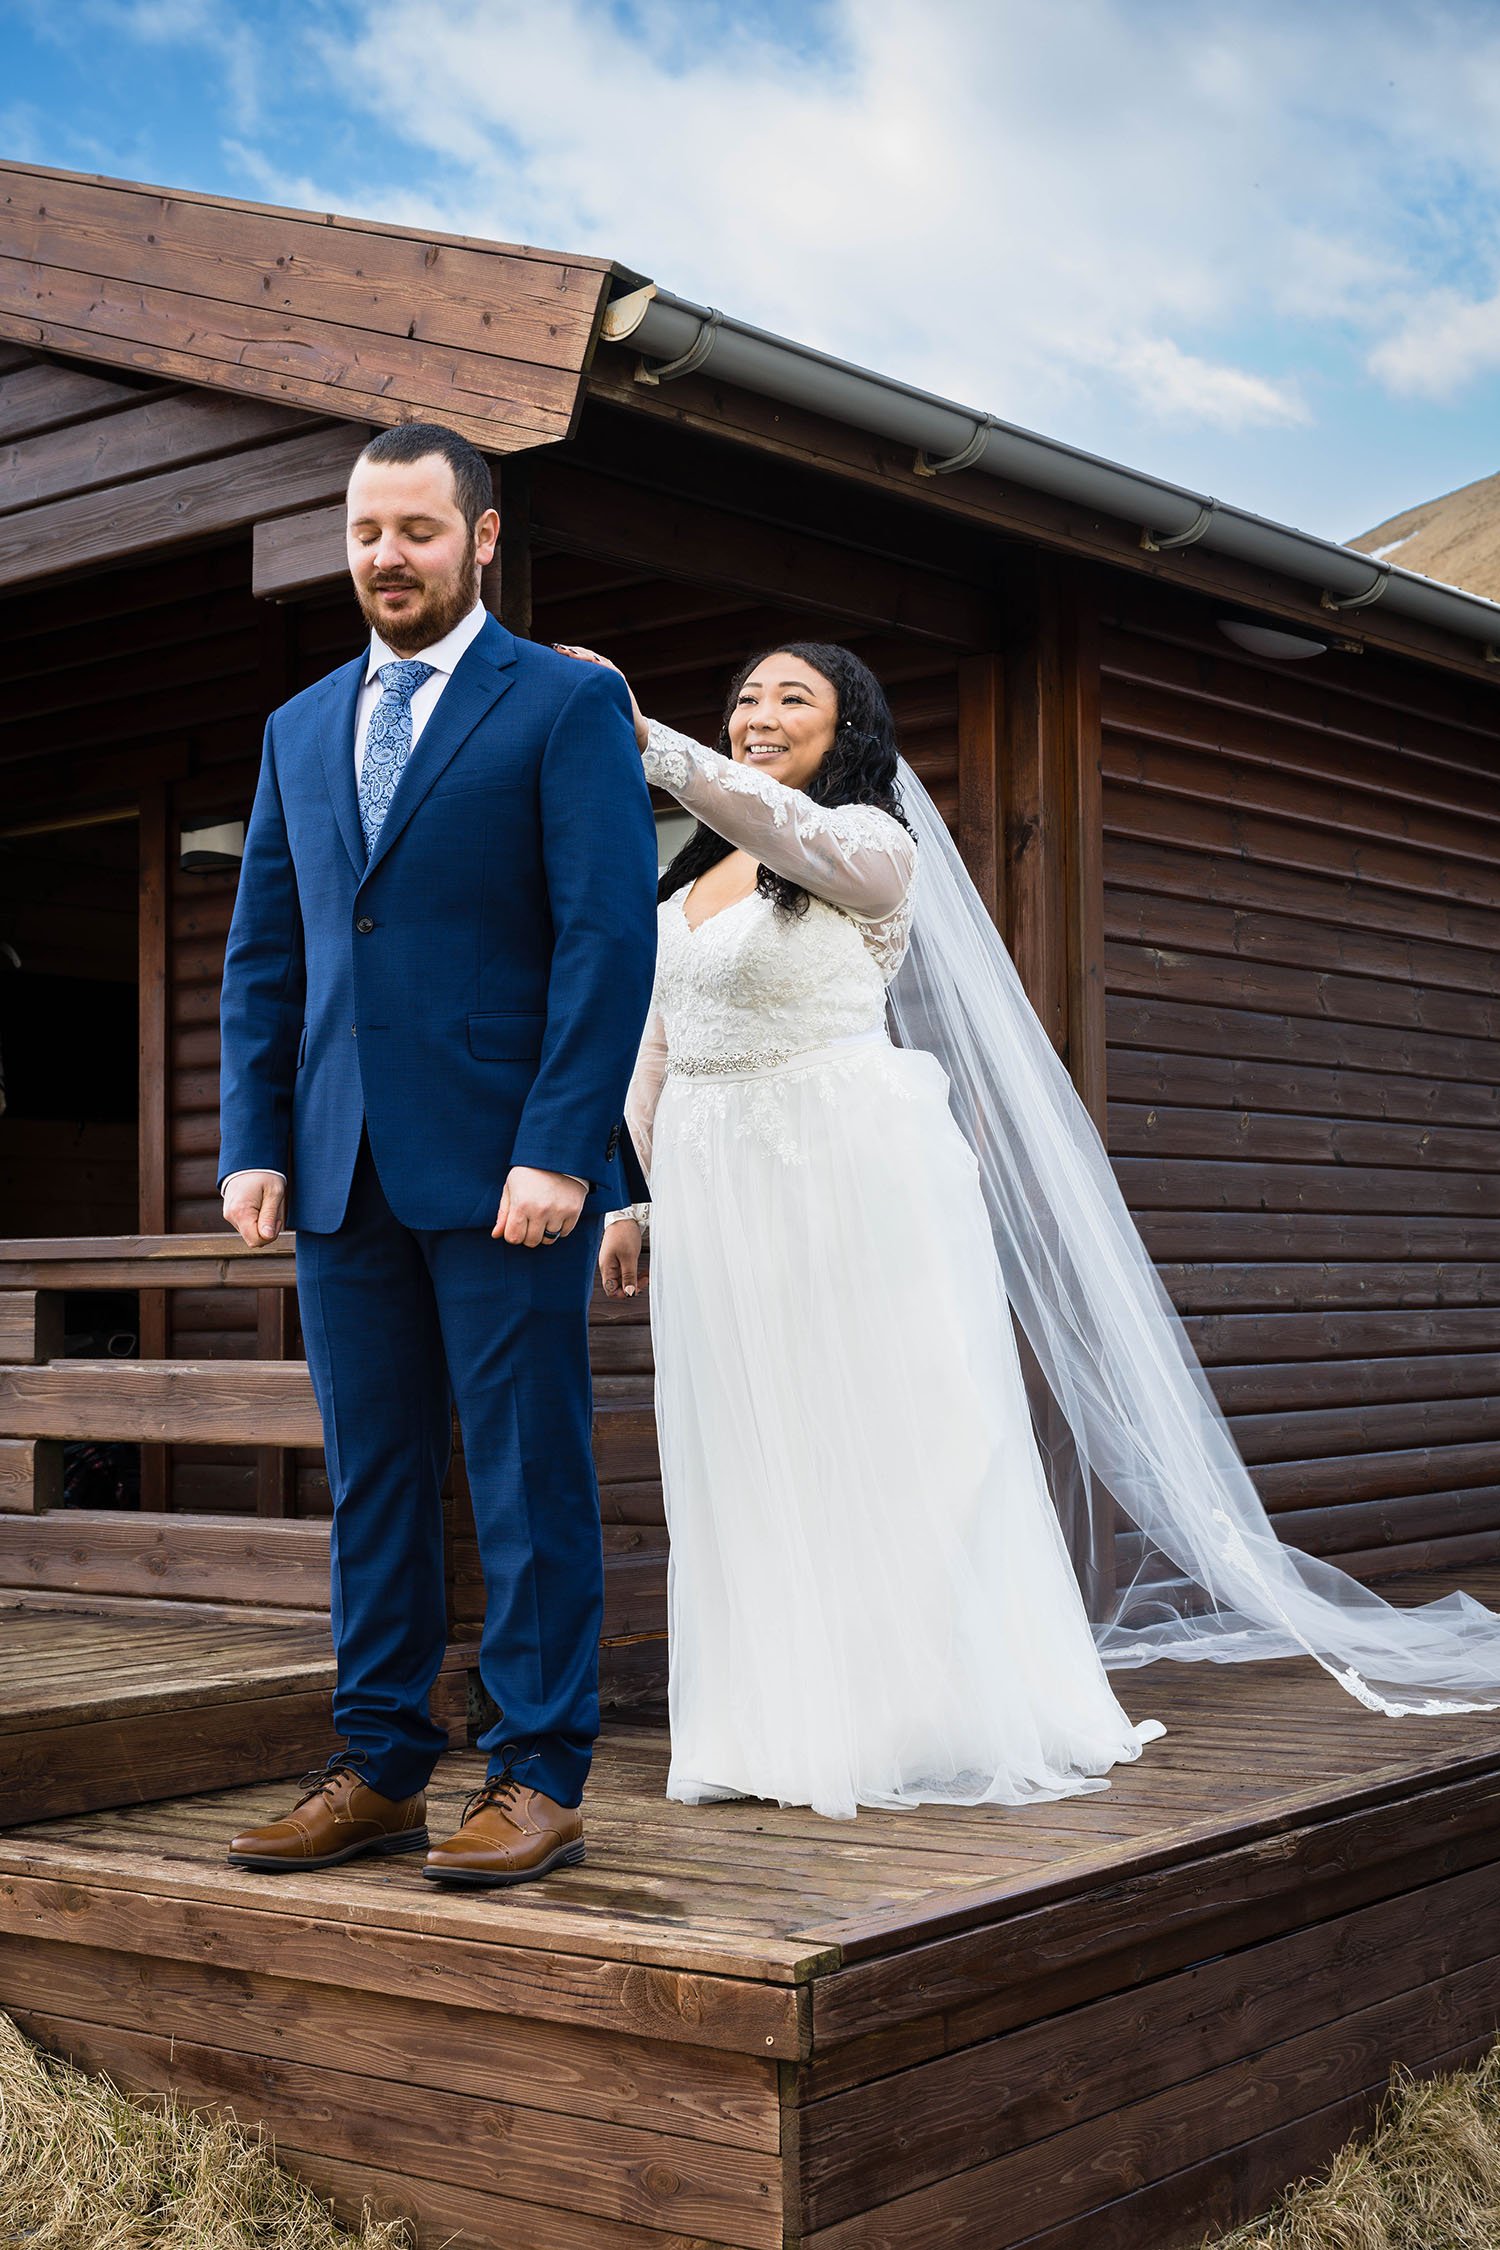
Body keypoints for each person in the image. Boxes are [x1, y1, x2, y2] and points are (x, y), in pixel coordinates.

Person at [563, 637, 1500, 1822]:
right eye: (743, 696)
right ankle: (775, 1721)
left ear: (847, 729)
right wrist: (635, 1198)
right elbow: (654, 1045)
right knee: (746, 1442)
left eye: (790, 699)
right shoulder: (683, 882)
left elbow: (787, 833)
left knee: (886, 1430)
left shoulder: (871, 847)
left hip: (844, 1170)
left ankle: (914, 1713)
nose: (757, 715)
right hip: (716, 1182)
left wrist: (655, 740)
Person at [217, 424, 658, 1886]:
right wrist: (253, 1135)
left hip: (505, 1170)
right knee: (378, 1476)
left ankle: (538, 1770)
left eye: (415, 529)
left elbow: (607, 938)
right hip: (338, 1165)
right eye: (365, 533)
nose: (385, 557)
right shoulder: (296, 726)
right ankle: (385, 1759)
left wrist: (562, 1148)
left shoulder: (561, 704)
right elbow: (265, 952)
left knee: (529, 1474)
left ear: (479, 536)